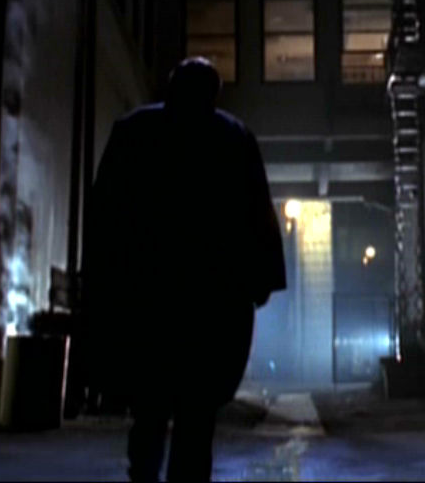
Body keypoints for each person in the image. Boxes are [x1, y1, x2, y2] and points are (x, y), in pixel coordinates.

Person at [84, 57, 286, 482]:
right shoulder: (233, 137)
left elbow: (105, 214)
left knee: (150, 406)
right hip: (212, 302)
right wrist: (261, 281)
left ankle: (144, 472)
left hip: (147, 297)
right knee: (197, 415)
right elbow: (257, 213)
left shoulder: (135, 131)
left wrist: (102, 280)